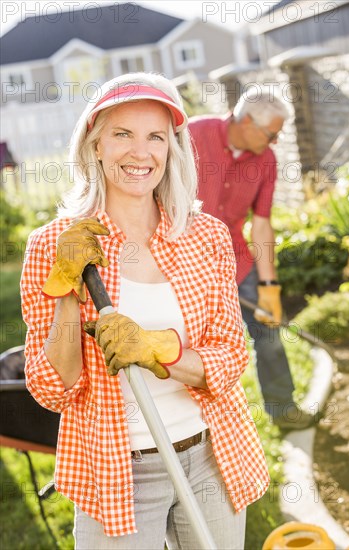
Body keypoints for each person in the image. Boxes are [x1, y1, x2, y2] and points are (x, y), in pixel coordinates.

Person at [21, 72, 270, 549]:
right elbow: (55, 388)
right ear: (94, 144)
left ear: (171, 148)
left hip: (211, 455)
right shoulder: (55, 244)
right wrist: (66, 294)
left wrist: (161, 351)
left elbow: (231, 356)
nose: (141, 152)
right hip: (117, 467)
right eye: (122, 134)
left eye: (155, 136)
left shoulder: (205, 235)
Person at [188, 89, 316, 430]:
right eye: (271, 134)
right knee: (194, 350)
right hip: (185, 267)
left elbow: (261, 224)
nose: (274, 142)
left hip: (236, 261)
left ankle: (283, 408)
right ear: (246, 122)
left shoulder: (266, 161)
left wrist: (269, 286)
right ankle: (204, 426)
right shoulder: (191, 136)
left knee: (269, 334)